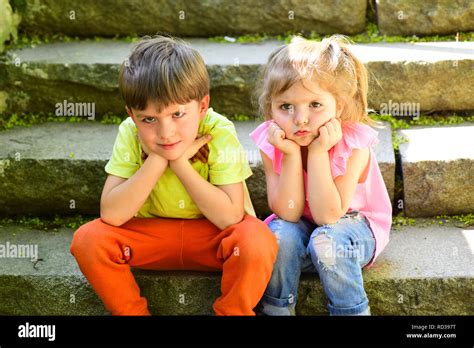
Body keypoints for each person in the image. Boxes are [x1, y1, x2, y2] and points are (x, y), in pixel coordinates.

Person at [70, 35, 278, 316]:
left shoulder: (217, 130)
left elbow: (229, 217)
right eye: (149, 119)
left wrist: (179, 163)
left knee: (258, 239)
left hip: (213, 238)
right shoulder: (130, 133)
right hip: (148, 237)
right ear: (132, 115)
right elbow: (113, 215)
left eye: (177, 114)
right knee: (88, 240)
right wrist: (158, 159)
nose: (165, 133)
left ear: (202, 106)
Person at [250, 36, 392, 316]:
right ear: (271, 108)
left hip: (352, 228)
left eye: (315, 105)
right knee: (278, 235)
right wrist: (291, 155)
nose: (300, 119)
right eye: (286, 107)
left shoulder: (353, 144)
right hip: (303, 227)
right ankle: (277, 308)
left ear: (338, 106)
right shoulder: (274, 142)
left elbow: (329, 216)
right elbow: (288, 213)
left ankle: (350, 311)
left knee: (326, 239)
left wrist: (317, 154)